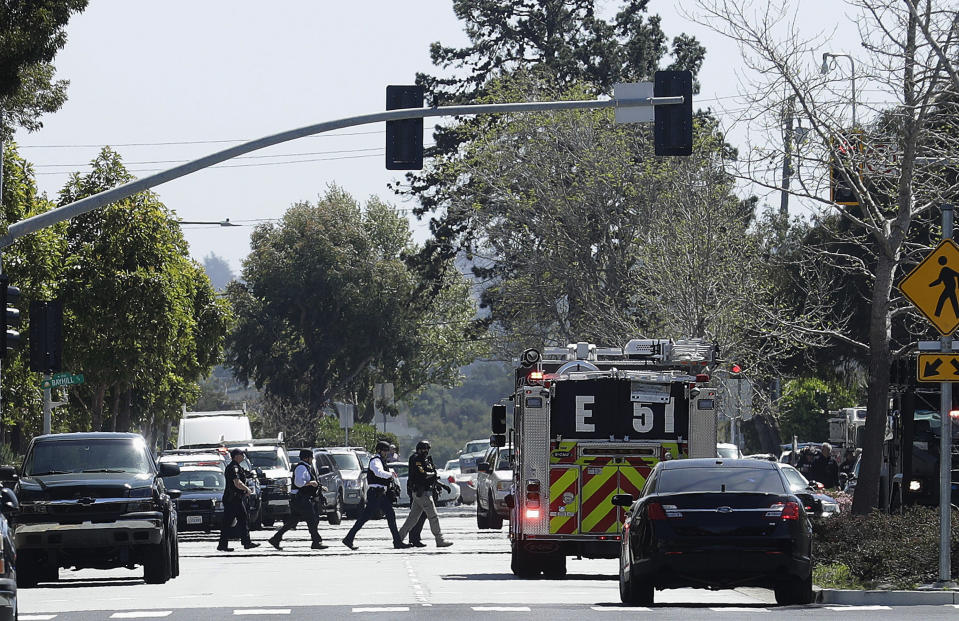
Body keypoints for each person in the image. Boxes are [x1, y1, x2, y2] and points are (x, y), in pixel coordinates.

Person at [342, 441, 410, 550]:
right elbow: (378, 472)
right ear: (379, 450)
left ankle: (397, 541)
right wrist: (390, 475)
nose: (386, 453)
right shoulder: (375, 461)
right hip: (376, 493)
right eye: (384, 451)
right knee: (367, 517)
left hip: (380, 493)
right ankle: (349, 538)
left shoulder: (382, 461)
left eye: (387, 451)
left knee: (389, 515)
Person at [268, 449, 327, 550]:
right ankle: (316, 542)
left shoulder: (306, 467)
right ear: (306, 458)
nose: (312, 459)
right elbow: (299, 482)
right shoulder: (301, 467)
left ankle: (276, 538)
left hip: (300, 499)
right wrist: (311, 483)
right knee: (312, 519)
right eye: (311, 457)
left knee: (293, 521)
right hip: (301, 499)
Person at [398, 440, 452, 548]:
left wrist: (443, 486)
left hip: (425, 492)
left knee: (412, 519)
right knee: (433, 516)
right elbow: (423, 475)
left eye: (427, 449)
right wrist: (432, 475)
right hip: (421, 493)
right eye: (423, 449)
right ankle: (439, 539)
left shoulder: (427, 460)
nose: (426, 451)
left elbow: (433, 477)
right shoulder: (416, 459)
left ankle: (398, 539)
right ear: (418, 449)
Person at [218, 448, 260, 552]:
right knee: (242, 519)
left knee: (232, 521)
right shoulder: (233, 467)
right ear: (236, 456)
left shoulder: (237, 467)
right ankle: (246, 542)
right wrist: (247, 489)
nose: (243, 456)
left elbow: (244, 477)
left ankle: (225, 544)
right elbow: (237, 483)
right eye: (242, 454)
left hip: (234, 498)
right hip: (233, 499)